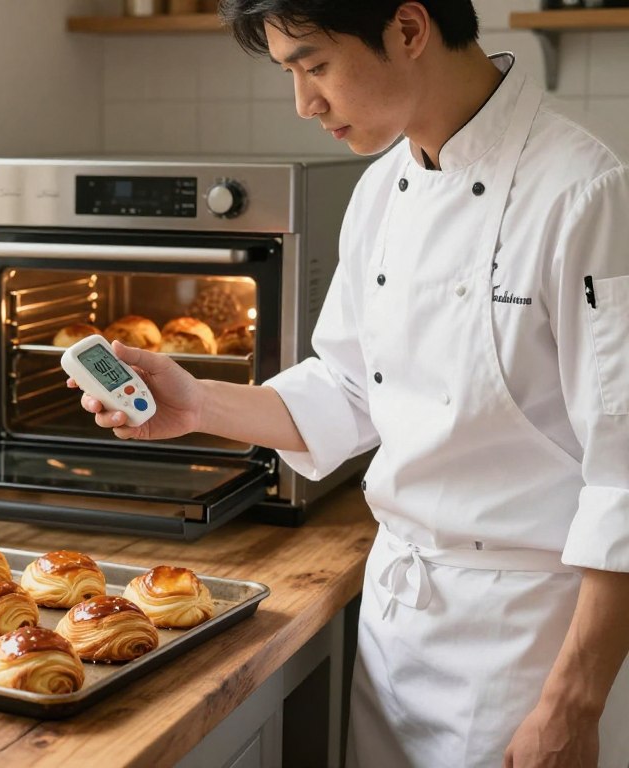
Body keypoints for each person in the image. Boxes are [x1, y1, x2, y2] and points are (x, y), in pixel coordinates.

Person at [69, 1, 629, 766]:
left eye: (314, 65)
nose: (304, 104)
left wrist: (572, 703)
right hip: (397, 627)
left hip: (528, 646)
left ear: (407, 29)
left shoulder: (586, 192)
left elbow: (623, 480)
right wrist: (195, 401)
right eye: (290, 74)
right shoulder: (380, 192)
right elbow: (346, 388)